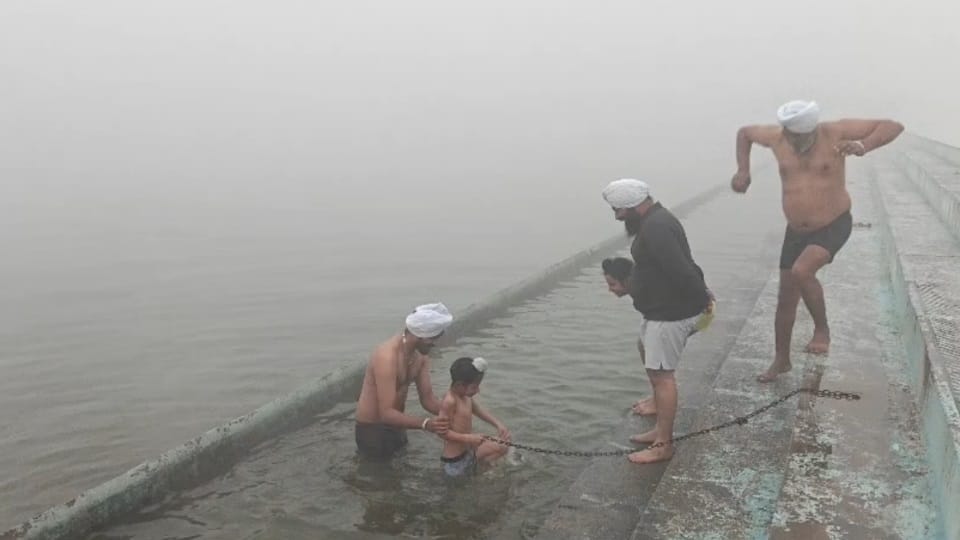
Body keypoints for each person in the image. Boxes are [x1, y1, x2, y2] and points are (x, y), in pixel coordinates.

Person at [731, 100, 904, 382]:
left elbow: (892, 126)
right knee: (785, 298)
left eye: (799, 138)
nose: (793, 142)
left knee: (802, 271)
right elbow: (744, 133)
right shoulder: (776, 138)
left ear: (811, 131)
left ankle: (822, 330)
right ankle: (781, 360)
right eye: (790, 136)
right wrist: (743, 170)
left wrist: (863, 145)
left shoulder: (834, 132)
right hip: (795, 230)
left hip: (833, 223)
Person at [601, 178, 714, 464]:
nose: (617, 216)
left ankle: (664, 444)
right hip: (659, 311)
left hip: (670, 314)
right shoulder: (654, 222)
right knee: (645, 348)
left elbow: (681, 269)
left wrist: (702, 298)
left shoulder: (657, 228)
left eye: (618, 210)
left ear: (634, 205)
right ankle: (656, 409)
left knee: (663, 376)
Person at [354, 302, 453, 460]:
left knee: (400, 468)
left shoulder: (420, 356)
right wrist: (425, 424)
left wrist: (455, 412)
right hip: (372, 429)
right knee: (378, 473)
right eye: (433, 339)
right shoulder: (387, 357)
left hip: (399, 424)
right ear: (420, 335)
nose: (435, 344)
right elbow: (386, 413)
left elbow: (428, 400)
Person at [436, 356, 511, 477]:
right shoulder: (449, 401)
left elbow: (478, 411)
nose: (478, 390)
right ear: (460, 385)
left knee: (503, 445)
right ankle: (479, 473)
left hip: (469, 452)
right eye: (474, 387)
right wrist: (468, 438)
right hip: (454, 462)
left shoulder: (466, 397)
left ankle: (481, 469)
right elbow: (441, 433)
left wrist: (498, 424)